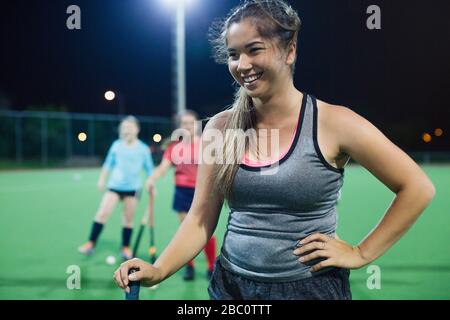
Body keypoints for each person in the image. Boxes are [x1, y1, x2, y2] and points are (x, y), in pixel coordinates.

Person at [113, 0, 435, 299]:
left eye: (254, 50)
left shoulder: (334, 123)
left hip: (311, 288)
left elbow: (417, 187)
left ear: (289, 50)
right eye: (233, 54)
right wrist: (159, 270)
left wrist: (361, 253)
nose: (242, 65)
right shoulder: (220, 128)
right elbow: (200, 219)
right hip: (230, 286)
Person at [147, 110, 217, 280]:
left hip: (202, 191)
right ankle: (189, 267)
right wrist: (151, 179)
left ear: (196, 125)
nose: (187, 126)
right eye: (184, 123)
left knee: (207, 231)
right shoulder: (174, 148)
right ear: (180, 127)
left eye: (190, 123)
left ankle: (211, 266)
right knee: (185, 231)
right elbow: (163, 168)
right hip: (182, 191)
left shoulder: (206, 144)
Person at [79, 116, 154, 261]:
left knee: (128, 219)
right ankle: (90, 243)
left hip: (133, 188)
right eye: (124, 128)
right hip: (114, 186)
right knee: (102, 213)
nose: (127, 130)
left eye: (130, 127)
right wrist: (102, 179)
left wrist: (151, 184)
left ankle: (125, 247)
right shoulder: (116, 145)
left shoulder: (143, 148)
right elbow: (108, 164)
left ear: (137, 129)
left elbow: (149, 169)